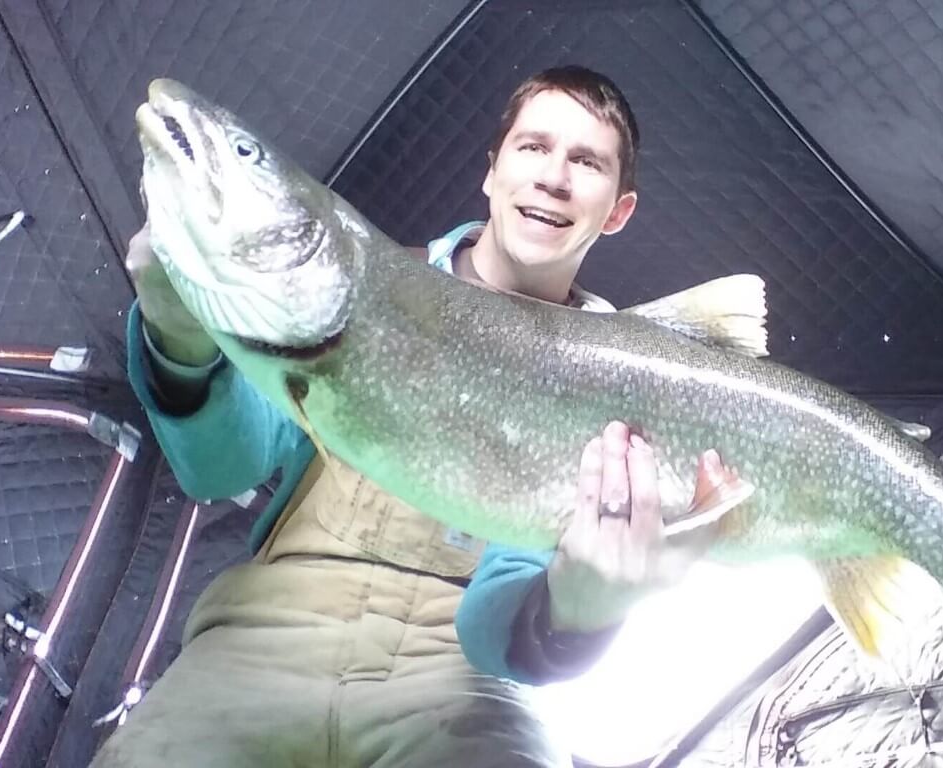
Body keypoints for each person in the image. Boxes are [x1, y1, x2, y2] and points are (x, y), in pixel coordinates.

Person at [91, 65, 719, 768]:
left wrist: (579, 612)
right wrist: (178, 337)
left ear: (617, 210)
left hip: (464, 679)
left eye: (586, 162)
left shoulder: (627, 390)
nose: (553, 177)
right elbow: (219, 467)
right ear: (492, 170)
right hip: (260, 630)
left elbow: (492, 637)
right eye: (533, 147)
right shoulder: (344, 279)